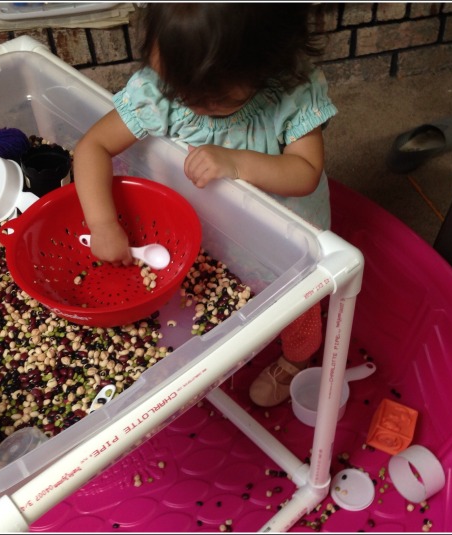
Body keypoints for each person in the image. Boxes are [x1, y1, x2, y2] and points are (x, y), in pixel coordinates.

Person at [73, 3, 338, 408]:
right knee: (211, 295)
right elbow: (93, 146)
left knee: (298, 310)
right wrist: (104, 222)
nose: (182, 100)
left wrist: (236, 162)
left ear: (265, 62)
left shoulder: (292, 89)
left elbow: (305, 173)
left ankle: (296, 360)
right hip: (212, 232)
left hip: (285, 243)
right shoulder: (162, 91)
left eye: (204, 96)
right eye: (174, 85)